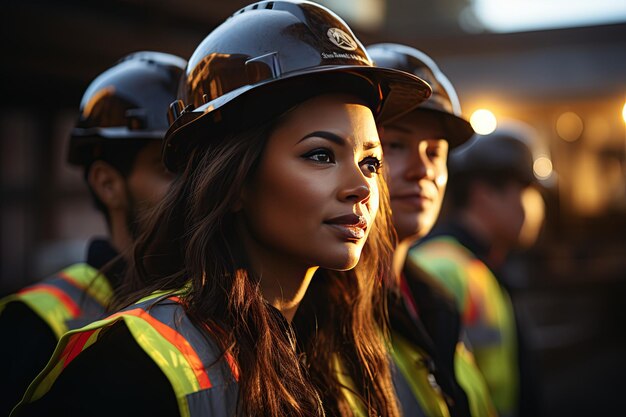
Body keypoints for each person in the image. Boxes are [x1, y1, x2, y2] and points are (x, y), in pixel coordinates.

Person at [12, 2, 431, 416]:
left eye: (371, 163)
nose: (361, 187)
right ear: (234, 183)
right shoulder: (132, 367)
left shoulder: (351, 353)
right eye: (320, 155)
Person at [0, 51, 185, 416]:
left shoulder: (224, 300)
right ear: (107, 184)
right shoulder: (32, 326)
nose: (194, 187)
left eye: (199, 166)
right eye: (170, 168)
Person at [367, 43, 497, 417]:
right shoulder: (319, 310)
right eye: (395, 145)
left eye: (434, 152)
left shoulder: (433, 300)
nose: (422, 170)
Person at [410, 123, 543, 417]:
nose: (535, 206)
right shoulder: (443, 267)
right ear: (484, 193)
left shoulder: (482, 264)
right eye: (525, 191)